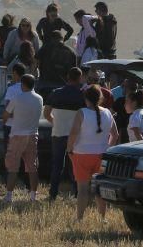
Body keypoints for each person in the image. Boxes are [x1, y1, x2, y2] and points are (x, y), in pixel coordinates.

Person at [67, 84, 119, 221]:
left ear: (86, 98)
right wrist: (108, 148)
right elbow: (115, 134)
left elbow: (73, 133)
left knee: (82, 189)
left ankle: (79, 218)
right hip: (101, 154)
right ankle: (103, 217)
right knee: (100, 189)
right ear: (100, 98)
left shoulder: (81, 112)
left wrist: (69, 148)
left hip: (82, 154)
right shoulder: (108, 112)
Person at [44, 67, 84, 200]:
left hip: (58, 133)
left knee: (57, 166)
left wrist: (55, 122)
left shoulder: (55, 93)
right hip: (75, 135)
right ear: (80, 78)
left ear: (68, 77)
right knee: (74, 166)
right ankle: (76, 194)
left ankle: (53, 194)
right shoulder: (82, 95)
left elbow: (46, 113)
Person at [2, 74, 43, 203]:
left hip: (17, 134)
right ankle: (33, 195)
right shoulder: (39, 99)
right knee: (32, 166)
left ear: (22, 84)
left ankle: (9, 195)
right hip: (32, 134)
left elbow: (6, 115)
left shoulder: (17, 98)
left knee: (13, 166)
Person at [3, 63, 26, 138]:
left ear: (15, 73)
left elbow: (8, 109)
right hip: (25, 126)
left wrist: (4, 121)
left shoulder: (11, 89)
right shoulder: (30, 89)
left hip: (11, 126)